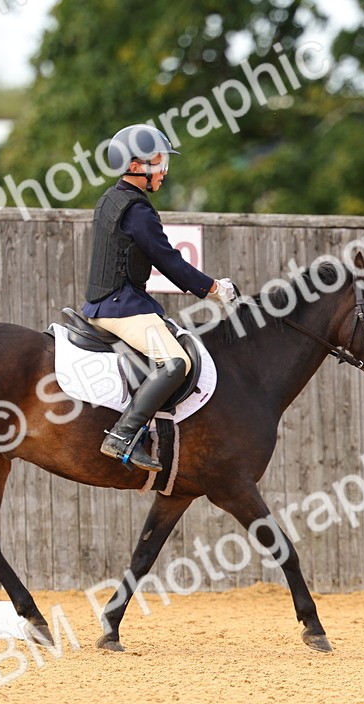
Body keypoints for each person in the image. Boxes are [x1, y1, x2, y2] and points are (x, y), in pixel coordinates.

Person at [83, 124, 237, 471]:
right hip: (121, 307)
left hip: (110, 302)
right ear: (136, 164)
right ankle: (123, 434)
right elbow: (167, 260)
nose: (165, 170)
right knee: (175, 363)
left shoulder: (111, 198)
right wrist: (213, 289)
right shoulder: (137, 210)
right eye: (159, 161)